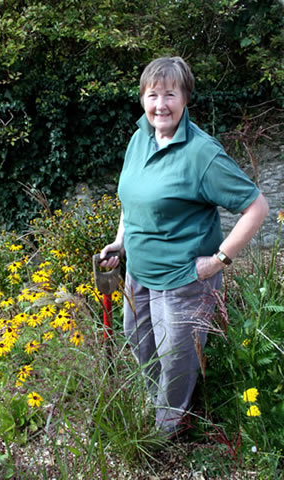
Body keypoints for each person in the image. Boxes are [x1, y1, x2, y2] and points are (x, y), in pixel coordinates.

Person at [99, 56, 268, 436]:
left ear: (185, 98)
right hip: (138, 274)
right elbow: (131, 198)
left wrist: (220, 260)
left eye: (170, 94)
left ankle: (166, 434)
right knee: (141, 346)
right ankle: (155, 408)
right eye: (153, 94)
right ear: (143, 98)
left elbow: (257, 206)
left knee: (177, 362)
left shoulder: (201, 154)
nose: (161, 104)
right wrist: (120, 242)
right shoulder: (139, 138)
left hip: (183, 281)